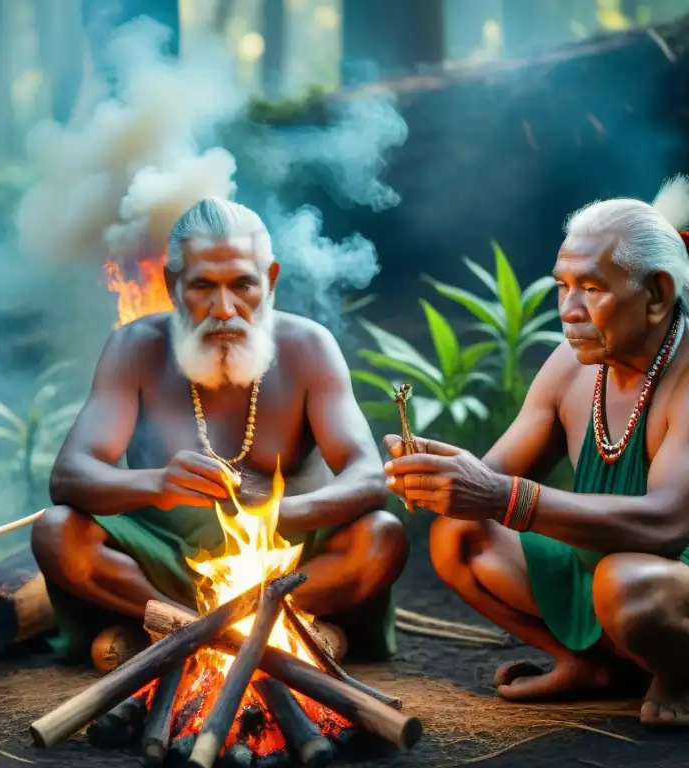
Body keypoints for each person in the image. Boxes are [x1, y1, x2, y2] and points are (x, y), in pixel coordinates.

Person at [383, 175, 689, 728]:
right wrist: (438, 471)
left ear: (656, 296)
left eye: (592, 288)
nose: (569, 309)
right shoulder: (569, 365)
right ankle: (588, 666)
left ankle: (686, 675)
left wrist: (497, 494)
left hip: (675, 578)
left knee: (624, 585)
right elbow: (495, 478)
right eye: (562, 285)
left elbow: (665, 524)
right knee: (460, 534)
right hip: (600, 563)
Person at [32, 197, 408, 669]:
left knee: (381, 538)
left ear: (269, 280)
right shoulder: (136, 347)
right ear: (172, 284)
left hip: (285, 564)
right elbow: (70, 475)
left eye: (242, 285)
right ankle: (193, 628)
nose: (224, 308)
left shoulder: (308, 346)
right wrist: (158, 484)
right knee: (57, 532)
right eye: (203, 286)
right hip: (165, 564)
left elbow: (369, 478)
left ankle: (182, 634)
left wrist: (273, 513)